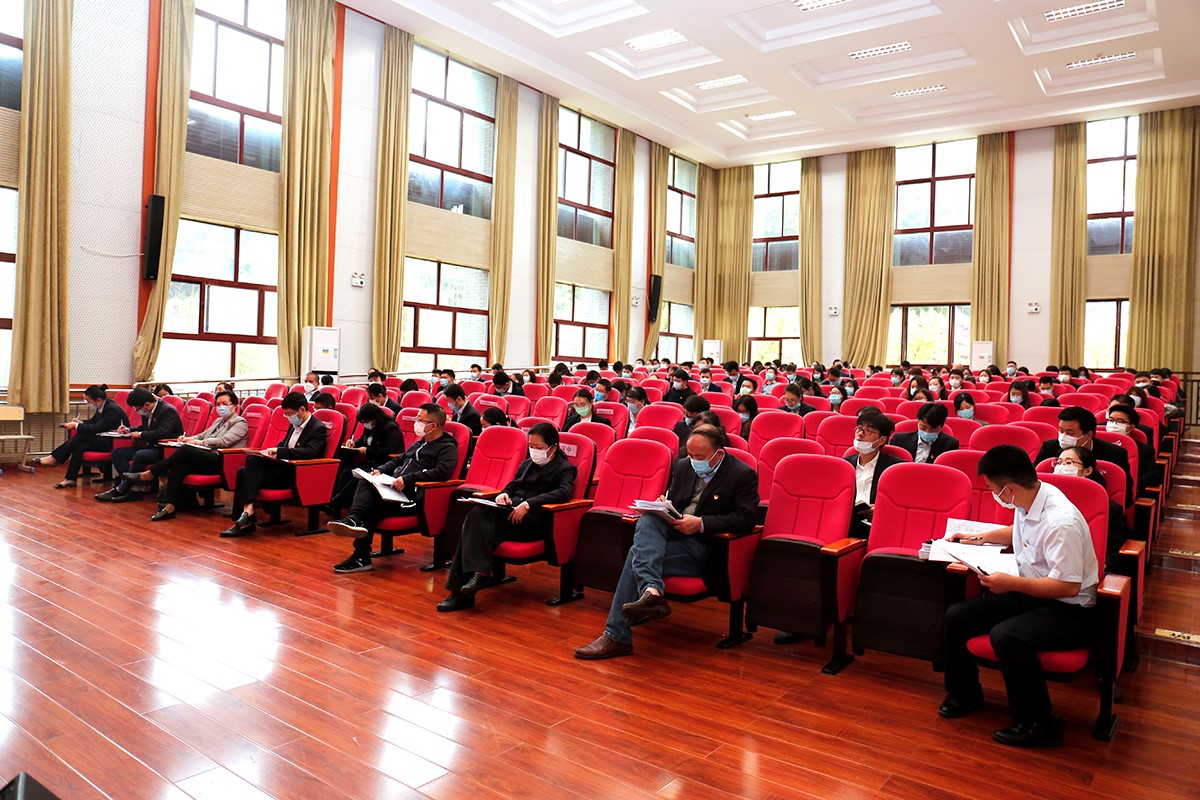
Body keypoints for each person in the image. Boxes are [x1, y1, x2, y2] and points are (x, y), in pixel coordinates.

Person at [939, 445, 1098, 748]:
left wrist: (1010, 583)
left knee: (1006, 636)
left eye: (992, 489)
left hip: (1070, 610)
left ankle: (1040, 722)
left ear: (1009, 489)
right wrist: (977, 537)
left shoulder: (1061, 522)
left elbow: (1067, 586)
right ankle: (964, 693)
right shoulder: (1031, 495)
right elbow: (1020, 531)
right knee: (958, 615)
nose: (993, 494)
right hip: (1034, 593)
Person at [574, 425, 759, 660]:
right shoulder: (683, 466)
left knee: (635, 555)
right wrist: (664, 504)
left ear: (719, 454)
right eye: (690, 454)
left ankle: (620, 632)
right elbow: (676, 499)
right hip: (674, 537)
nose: (694, 461)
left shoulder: (742, 474)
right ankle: (651, 591)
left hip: (705, 548)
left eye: (699, 456)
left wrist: (701, 523)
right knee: (648, 519)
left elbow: (746, 520)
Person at [437, 423, 578, 612]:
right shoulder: (527, 464)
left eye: (538, 447)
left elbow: (564, 492)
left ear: (553, 448)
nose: (533, 451)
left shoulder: (565, 468)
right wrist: (503, 495)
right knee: (477, 515)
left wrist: (528, 504)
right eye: (531, 446)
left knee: (474, 532)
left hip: (532, 521)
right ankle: (477, 576)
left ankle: (464, 590)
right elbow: (512, 486)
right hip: (508, 514)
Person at [328, 404, 459, 572]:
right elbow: (398, 460)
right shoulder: (419, 444)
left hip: (415, 497)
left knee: (371, 508)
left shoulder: (447, 448)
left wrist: (408, 479)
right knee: (366, 481)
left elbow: (442, 472)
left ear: (433, 425)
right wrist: (380, 470)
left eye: (420, 420)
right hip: (395, 489)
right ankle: (355, 523)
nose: (416, 422)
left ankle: (360, 553)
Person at [121, 390, 249, 521]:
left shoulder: (240, 423)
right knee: (179, 467)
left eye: (225, 404)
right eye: (218, 404)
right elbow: (202, 435)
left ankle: (151, 474)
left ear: (234, 406)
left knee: (185, 450)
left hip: (223, 460)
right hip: (207, 456)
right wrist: (188, 438)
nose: (221, 407)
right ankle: (169, 507)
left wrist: (199, 442)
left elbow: (224, 441)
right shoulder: (218, 421)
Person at [219, 393, 328, 538]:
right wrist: (271, 452)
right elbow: (285, 445)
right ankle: (247, 512)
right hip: (282, 467)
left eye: (289, 414)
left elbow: (309, 452)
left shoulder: (317, 428)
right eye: (285, 414)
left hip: (298, 473)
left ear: (302, 410)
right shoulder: (295, 424)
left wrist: (279, 451)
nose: (288, 417)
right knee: (246, 467)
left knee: (247, 470)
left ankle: (246, 519)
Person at [96, 388, 184, 503]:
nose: (137, 411)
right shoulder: (147, 411)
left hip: (165, 448)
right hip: (150, 445)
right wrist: (129, 430)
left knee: (140, 455)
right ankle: (133, 488)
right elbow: (145, 427)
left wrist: (141, 434)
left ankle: (122, 489)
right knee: (117, 453)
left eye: (137, 408)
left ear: (146, 404)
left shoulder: (167, 411)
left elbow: (162, 432)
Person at [1033, 406, 1132, 503]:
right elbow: (1033, 480)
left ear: (1089, 435)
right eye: (1061, 431)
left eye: (1070, 433)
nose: (1063, 437)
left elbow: (1126, 497)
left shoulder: (1114, 454)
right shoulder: (1049, 447)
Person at [38, 384, 129, 488]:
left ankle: (55, 458)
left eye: (88, 401)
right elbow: (93, 421)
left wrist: (76, 426)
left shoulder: (111, 409)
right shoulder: (103, 405)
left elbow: (96, 428)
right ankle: (70, 479)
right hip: (103, 439)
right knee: (80, 447)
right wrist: (80, 422)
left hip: (115, 442)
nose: (87, 403)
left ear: (98, 400)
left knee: (82, 435)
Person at [1053, 446, 1130, 567]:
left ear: (1088, 471)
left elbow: (1113, 552)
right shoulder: (1046, 501)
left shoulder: (1109, 508)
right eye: (1059, 462)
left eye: (1069, 463)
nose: (1061, 467)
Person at [327, 401, 403, 514]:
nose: (365, 424)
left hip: (383, 465)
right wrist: (354, 443)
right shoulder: (370, 427)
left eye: (366, 421)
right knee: (346, 473)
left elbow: (389, 451)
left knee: (356, 479)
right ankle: (336, 504)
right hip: (370, 462)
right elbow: (363, 440)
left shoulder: (391, 429)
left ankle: (336, 503)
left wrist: (367, 451)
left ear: (374, 418)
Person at [844, 411, 901, 539]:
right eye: (859, 429)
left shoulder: (894, 469)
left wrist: (882, 510)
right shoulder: (845, 465)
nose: (860, 434)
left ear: (882, 440)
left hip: (877, 527)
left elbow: (900, 505)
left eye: (868, 431)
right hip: (846, 524)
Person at [1104, 404, 1161, 491]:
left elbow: (1152, 476)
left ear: (1131, 427)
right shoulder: (1096, 444)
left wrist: (1129, 485)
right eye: (1111, 420)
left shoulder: (1143, 450)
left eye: (1120, 422)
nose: (1113, 425)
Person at [891, 402, 959, 464]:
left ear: (941, 427)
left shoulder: (950, 445)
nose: (927, 432)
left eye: (933, 429)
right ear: (918, 421)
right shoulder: (899, 441)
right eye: (923, 427)